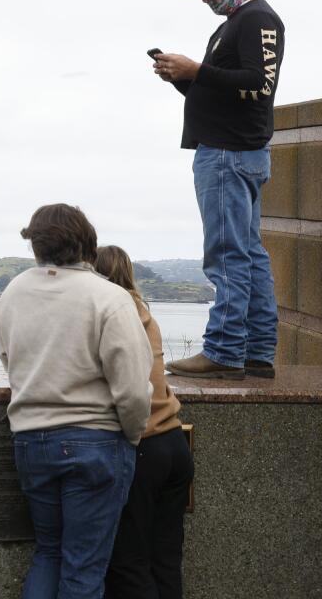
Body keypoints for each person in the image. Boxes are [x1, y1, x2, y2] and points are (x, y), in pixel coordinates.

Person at [0, 204, 153, 599]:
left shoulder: (14, 291)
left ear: (37, 245)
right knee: (84, 568)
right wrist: (131, 438)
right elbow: (133, 388)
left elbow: (8, 360)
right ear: (87, 243)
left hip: (31, 440)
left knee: (48, 554)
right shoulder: (109, 297)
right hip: (95, 443)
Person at [153, 0, 283, 380]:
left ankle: (225, 350)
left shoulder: (257, 20)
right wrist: (183, 78)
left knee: (227, 256)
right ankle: (258, 353)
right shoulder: (231, 26)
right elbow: (218, 93)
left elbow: (258, 85)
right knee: (249, 254)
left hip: (229, 155)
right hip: (233, 152)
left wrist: (197, 69)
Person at [95, 246, 194, 599]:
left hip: (144, 447)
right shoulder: (143, 312)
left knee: (129, 561)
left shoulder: (109, 315)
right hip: (174, 443)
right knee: (166, 557)